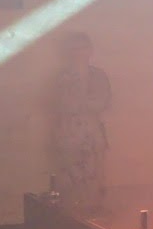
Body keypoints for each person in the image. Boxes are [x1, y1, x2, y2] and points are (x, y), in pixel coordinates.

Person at [47, 31, 112, 215]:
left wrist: (82, 103)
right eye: (75, 48)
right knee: (72, 177)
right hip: (69, 133)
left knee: (95, 176)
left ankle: (95, 213)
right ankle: (73, 216)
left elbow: (103, 101)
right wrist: (80, 104)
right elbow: (61, 104)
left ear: (90, 50)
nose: (79, 52)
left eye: (83, 48)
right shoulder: (61, 78)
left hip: (93, 132)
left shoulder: (99, 75)